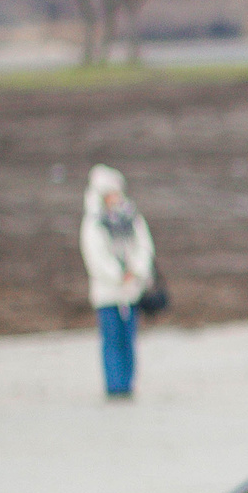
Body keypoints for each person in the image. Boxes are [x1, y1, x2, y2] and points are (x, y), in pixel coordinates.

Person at [80, 164, 155, 399]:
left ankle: (128, 385)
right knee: (112, 341)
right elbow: (95, 256)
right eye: (108, 193)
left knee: (129, 340)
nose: (113, 197)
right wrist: (117, 275)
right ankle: (115, 388)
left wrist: (136, 271)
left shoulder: (132, 218)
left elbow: (144, 246)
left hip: (131, 291)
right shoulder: (93, 223)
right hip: (107, 294)